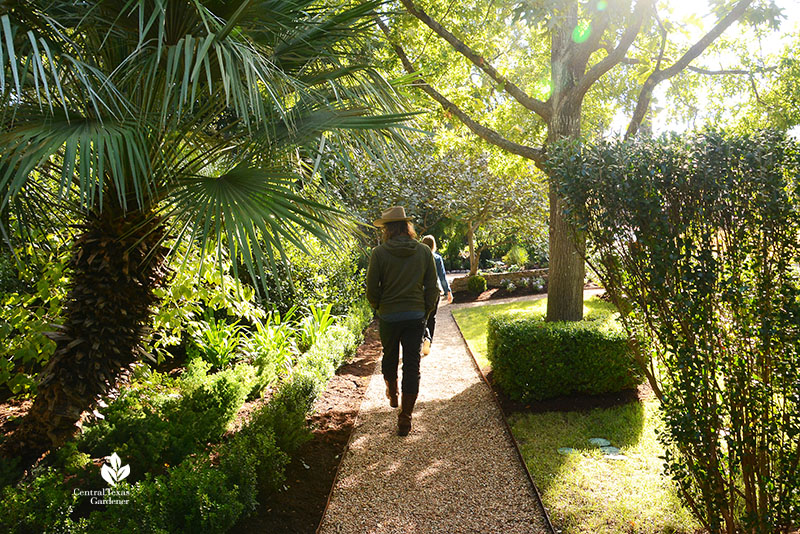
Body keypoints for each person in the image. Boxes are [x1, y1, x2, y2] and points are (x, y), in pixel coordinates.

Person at [366, 206, 439, 436]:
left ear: (388, 229)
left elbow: (371, 289)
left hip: (389, 315)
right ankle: (406, 416)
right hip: (415, 315)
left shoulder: (379, 253)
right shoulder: (424, 252)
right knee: (412, 364)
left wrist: (379, 307)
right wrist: (425, 311)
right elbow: (432, 288)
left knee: (389, 356)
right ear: (408, 227)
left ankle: (393, 391)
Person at [420, 235, 452, 355]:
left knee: (420, 317)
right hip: (434, 291)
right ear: (434, 245)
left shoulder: (418, 257)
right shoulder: (437, 258)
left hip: (420, 291)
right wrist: (448, 291)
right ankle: (429, 340)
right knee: (431, 317)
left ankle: (423, 337)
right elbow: (442, 276)